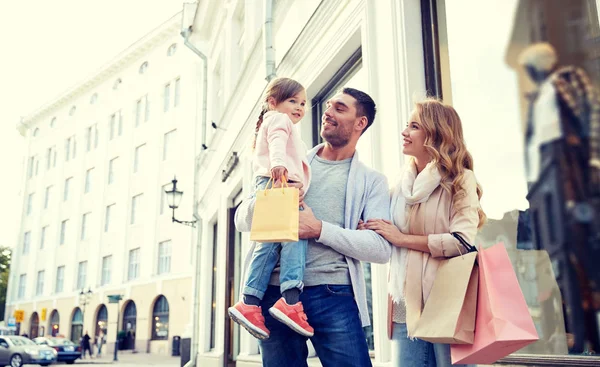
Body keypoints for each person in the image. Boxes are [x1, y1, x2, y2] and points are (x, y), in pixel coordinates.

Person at [235, 87, 391, 366]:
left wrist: (319, 229)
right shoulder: (287, 162)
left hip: (333, 295)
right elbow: (240, 220)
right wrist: (274, 199)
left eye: (339, 108)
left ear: (360, 123)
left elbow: (380, 250)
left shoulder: (371, 181)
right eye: (328, 106)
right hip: (273, 295)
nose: (327, 112)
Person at [360, 99, 485, 367]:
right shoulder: (400, 186)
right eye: (407, 125)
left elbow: (462, 242)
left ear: (435, 133)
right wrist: (369, 227)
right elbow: (385, 227)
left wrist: (401, 239)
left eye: (414, 126)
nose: (404, 132)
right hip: (404, 300)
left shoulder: (460, 179)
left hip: (447, 297)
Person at [228, 77, 313, 340]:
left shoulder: (277, 122)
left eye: (303, 103)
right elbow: (277, 141)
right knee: (294, 237)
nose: (299, 107)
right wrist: (280, 167)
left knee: (268, 243)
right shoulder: (279, 119)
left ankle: (250, 302)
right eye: (293, 101)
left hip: (271, 182)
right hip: (278, 181)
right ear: (273, 103)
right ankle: (290, 302)